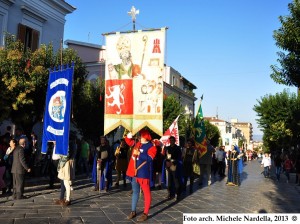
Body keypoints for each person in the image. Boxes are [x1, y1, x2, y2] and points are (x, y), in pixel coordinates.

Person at [125, 129, 157, 222]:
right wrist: (130, 134)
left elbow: (149, 158)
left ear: (145, 137)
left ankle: (145, 213)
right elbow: (128, 141)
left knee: (146, 193)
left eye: (141, 136)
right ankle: (133, 211)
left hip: (143, 173)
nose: (139, 137)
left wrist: (139, 153)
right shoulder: (137, 143)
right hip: (134, 172)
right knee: (135, 192)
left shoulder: (152, 147)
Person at [54, 139, 76, 206]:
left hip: (66, 164)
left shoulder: (67, 143)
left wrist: (60, 165)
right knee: (64, 181)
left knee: (66, 182)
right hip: (65, 163)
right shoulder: (68, 142)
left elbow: (66, 156)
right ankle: (64, 199)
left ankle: (68, 199)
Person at [163, 136, 183, 200]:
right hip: (168, 166)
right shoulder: (167, 148)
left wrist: (173, 162)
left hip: (174, 165)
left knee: (176, 180)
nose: (171, 141)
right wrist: (166, 162)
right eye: (170, 140)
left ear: (175, 141)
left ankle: (178, 194)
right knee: (169, 181)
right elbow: (165, 157)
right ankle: (170, 193)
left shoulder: (178, 148)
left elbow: (179, 158)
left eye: (172, 140)